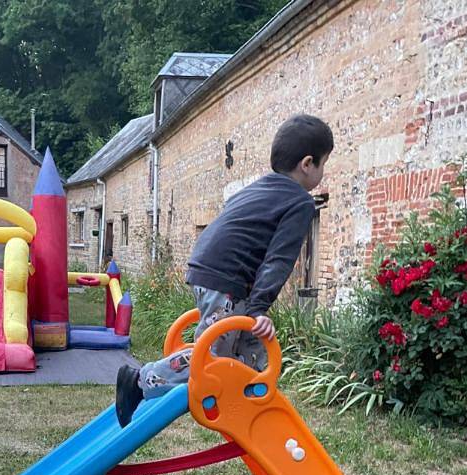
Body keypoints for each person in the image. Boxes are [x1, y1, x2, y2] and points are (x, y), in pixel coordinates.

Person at [115, 113, 333, 427]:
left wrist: (252, 311)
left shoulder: (257, 189)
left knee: (250, 344)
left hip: (211, 269)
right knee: (212, 358)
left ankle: (252, 403)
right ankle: (138, 381)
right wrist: (258, 309)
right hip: (225, 278)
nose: (323, 172)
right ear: (307, 163)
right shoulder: (298, 202)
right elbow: (278, 261)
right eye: (324, 164)